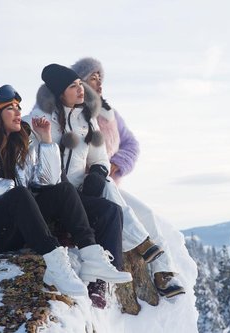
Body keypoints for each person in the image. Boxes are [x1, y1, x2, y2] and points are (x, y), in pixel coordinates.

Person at [0, 84, 132, 301]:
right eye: (10, 108)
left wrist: (46, 141)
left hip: (23, 224)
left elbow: (47, 181)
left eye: (19, 107)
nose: (19, 112)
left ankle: (92, 255)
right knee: (20, 193)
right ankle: (56, 264)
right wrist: (11, 187)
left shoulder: (22, 142)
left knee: (63, 190)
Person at [24, 64, 169, 281]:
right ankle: (141, 242)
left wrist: (98, 174)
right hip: (51, 196)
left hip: (80, 192)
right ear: (59, 92)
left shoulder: (87, 119)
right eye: (73, 86)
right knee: (110, 201)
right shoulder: (37, 122)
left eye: (80, 84)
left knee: (111, 207)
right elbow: (26, 164)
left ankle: (107, 278)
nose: (81, 89)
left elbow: (99, 157)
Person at [71, 57, 185, 298]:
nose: (99, 82)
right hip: (83, 186)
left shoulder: (109, 114)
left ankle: (164, 274)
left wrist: (117, 163)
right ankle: (142, 244)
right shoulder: (71, 112)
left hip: (109, 182)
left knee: (148, 215)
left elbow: (131, 145)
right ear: (79, 82)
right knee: (125, 212)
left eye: (100, 77)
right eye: (93, 77)